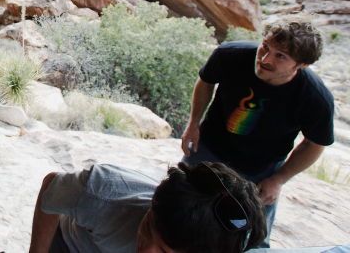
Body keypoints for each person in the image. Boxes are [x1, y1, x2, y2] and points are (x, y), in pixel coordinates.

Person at [180, 17, 335, 247]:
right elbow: (205, 81)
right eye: (265, 47)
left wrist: (279, 179)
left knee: (252, 239)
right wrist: (193, 124)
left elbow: (315, 144)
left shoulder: (315, 98)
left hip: (261, 169)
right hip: (209, 147)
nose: (264, 59)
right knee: (178, 208)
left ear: (301, 65)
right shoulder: (230, 55)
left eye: (280, 56)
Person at [28, 161, 266, 253]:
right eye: (148, 226)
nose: (146, 250)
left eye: (163, 252)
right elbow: (52, 185)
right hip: (72, 246)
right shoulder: (102, 192)